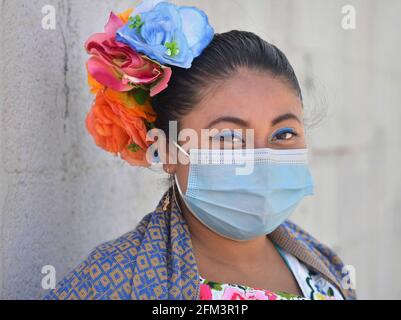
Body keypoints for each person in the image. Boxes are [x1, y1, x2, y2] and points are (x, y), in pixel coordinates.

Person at [45, 0, 356, 300]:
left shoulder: (322, 267)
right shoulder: (110, 283)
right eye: (229, 137)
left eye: (284, 133)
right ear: (165, 150)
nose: (261, 158)